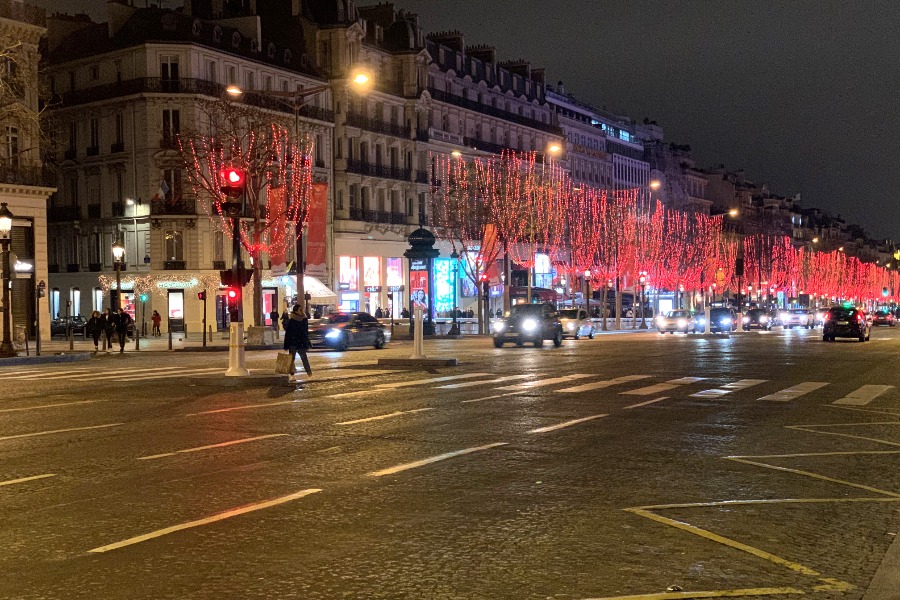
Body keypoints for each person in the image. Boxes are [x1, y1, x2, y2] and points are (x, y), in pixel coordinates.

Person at [283, 304, 311, 378]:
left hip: (301, 342)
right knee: (291, 359)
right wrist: (286, 345)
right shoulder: (292, 320)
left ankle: (309, 372)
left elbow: (305, 332)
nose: (302, 311)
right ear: (296, 311)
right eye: (300, 310)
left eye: (302, 310)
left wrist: (307, 342)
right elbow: (288, 333)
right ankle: (291, 372)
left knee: (304, 357)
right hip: (293, 342)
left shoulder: (304, 319)